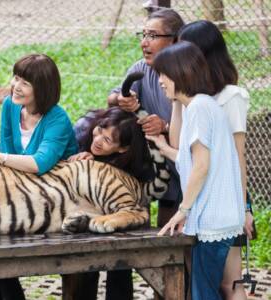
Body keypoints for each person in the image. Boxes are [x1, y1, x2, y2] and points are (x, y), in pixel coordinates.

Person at [0, 53, 78, 300]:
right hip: (23, 191)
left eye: (25, 82)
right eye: (16, 78)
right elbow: (7, 151)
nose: (16, 86)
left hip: (57, 198)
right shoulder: (10, 106)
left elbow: (39, 163)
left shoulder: (58, 118)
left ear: (43, 88)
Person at [147, 41, 245, 300]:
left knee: (203, 294)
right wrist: (163, 147)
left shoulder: (200, 108)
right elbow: (191, 160)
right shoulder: (201, 106)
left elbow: (201, 166)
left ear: (179, 73)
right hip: (217, 218)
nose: (160, 82)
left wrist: (183, 210)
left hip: (214, 220)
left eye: (163, 75)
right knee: (204, 290)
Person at [178, 20, 254, 300]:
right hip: (200, 205)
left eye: (185, 49)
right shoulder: (196, 99)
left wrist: (244, 207)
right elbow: (179, 145)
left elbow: (237, 157)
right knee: (210, 282)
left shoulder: (231, 97)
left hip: (226, 203)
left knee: (232, 284)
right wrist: (177, 96)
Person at [106, 8, 185, 227]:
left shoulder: (189, 74)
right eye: (143, 35)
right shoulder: (141, 68)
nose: (144, 43)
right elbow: (112, 97)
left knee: (179, 237)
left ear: (175, 40)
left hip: (188, 164)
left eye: (153, 36)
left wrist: (165, 126)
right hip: (155, 167)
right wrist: (121, 99)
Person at [67, 106, 154, 300]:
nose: (97, 140)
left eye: (107, 140)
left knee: (120, 268)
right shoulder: (83, 130)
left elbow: (143, 196)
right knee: (85, 268)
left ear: (123, 148)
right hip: (86, 215)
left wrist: (103, 166)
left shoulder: (136, 160)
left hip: (121, 216)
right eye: (99, 130)